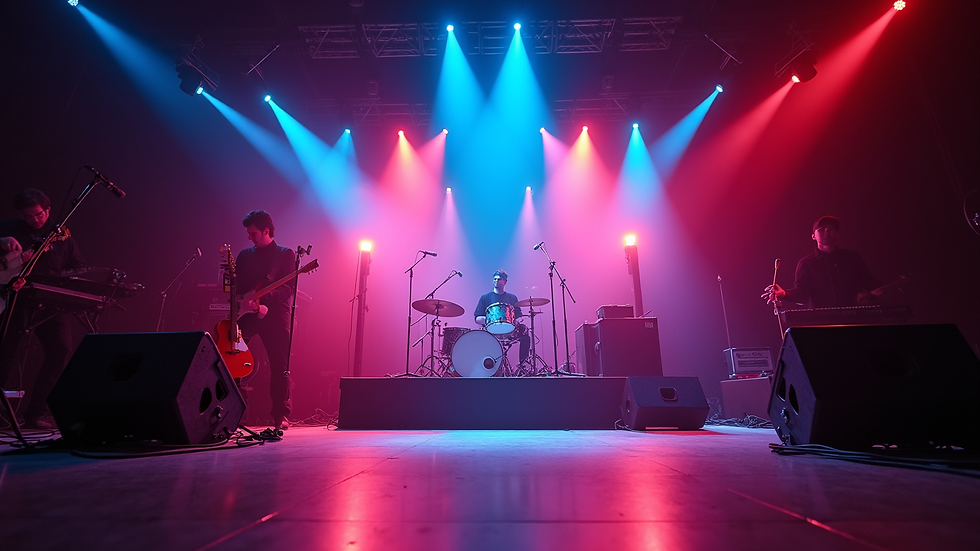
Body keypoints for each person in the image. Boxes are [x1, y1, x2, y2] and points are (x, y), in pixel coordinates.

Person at [0, 189, 84, 429]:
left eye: (37, 215)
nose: (33, 220)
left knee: (60, 349)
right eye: (27, 216)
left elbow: (77, 267)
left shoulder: (61, 236)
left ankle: (37, 413)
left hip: (50, 303)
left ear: (47, 210)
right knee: (5, 352)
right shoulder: (9, 228)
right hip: (16, 299)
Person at [235, 210, 296, 431]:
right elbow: (238, 286)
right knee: (233, 360)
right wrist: (242, 299)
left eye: (253, 233)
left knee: (279, 365)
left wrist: (264, 298)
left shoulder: (285, 254)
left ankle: (280, 415)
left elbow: (288, 289)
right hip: (247, 315)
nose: (250, 238)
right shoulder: (244, 256)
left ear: (266, 231)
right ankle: (234, 413)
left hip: (275, 315)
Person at [763, 216, 881, 309]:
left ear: (837, 233)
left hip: (854, 317)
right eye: (821, 229)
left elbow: (869, 282)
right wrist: (784, 293)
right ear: (813, 236)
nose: (826, 231)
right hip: (821, 320)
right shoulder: (806, 263)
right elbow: (802, 294)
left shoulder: (853, 258)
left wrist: (877, 290)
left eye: (830, 229)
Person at [474, 270, 530, 364]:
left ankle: (523, 366)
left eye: (499, 279)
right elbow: (477, 318)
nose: (496, 281)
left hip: (510, 332)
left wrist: (516, 321)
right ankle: (485, 366)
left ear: (505, 281)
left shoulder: (512, 298)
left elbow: (519, 316)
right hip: (491, 332)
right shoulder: (485, 297)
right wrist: (489, 320)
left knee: (526, 337)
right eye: (494, 279)